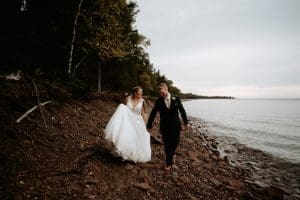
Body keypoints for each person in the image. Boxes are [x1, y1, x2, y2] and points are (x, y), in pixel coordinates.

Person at [147, 83, 188, 171]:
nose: (161, 94)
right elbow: (153, 112)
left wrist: (186, 122)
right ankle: (168, 162)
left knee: (175, 142)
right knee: (167, 145)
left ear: (166, 89)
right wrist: (149, 124)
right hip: (164, 126)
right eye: (160, 93)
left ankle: (171, 155)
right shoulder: (159, 100)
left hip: (176, 125)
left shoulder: (176, 98)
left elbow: (182, 110)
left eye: (162, 92)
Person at [104, 86, 151, 163]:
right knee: (124, 136)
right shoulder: (128, 98)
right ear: (135, 93)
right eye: (139, 93)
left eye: (141, 93)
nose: (141, 95)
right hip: (127, 120)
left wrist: (145, 126)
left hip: (137, 122)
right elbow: (123, 108)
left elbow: (144, 113)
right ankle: (120, 152)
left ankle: (131, 155)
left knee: (134, 138)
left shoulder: (143, 101)